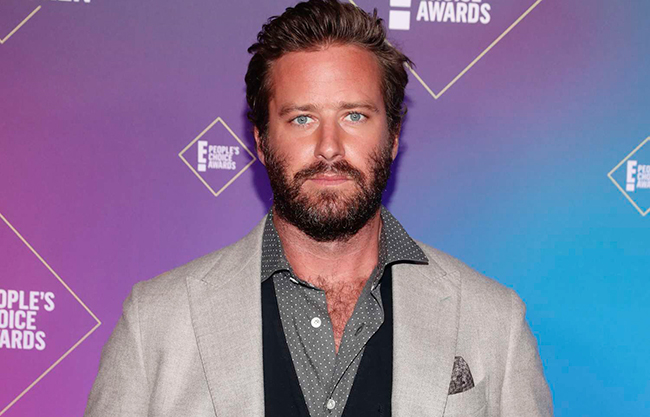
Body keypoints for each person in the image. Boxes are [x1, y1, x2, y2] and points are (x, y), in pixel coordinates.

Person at [85, 1, 553, 416]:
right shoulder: (156, 324)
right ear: (261, 142)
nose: (329, 146)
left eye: (355, 115)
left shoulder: (493, 322)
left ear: (393, 137)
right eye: (302, 118)